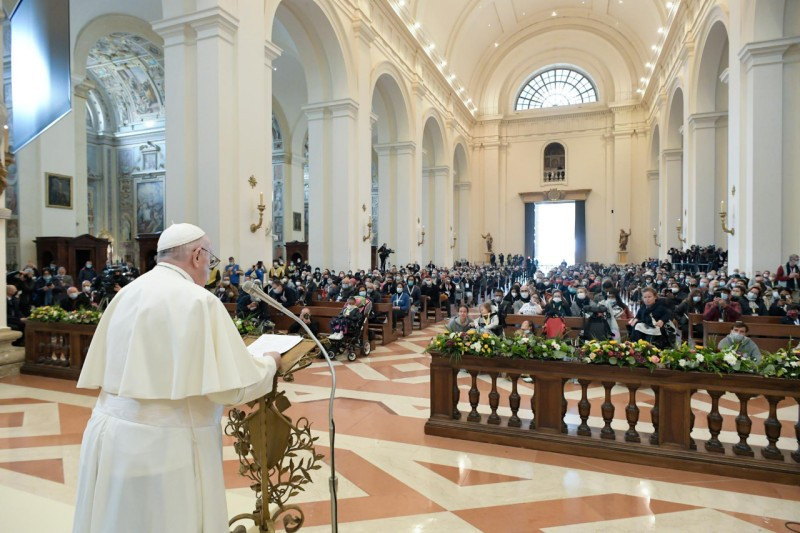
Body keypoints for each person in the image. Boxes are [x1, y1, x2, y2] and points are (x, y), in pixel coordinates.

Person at [73, 223, 281, 533]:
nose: (209, 267)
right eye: (210, 259)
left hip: (110, 433)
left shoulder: (127, 293)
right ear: (197, 255)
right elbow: (233, 388)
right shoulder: (198, 301)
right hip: (166, 445)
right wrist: (269, 365)